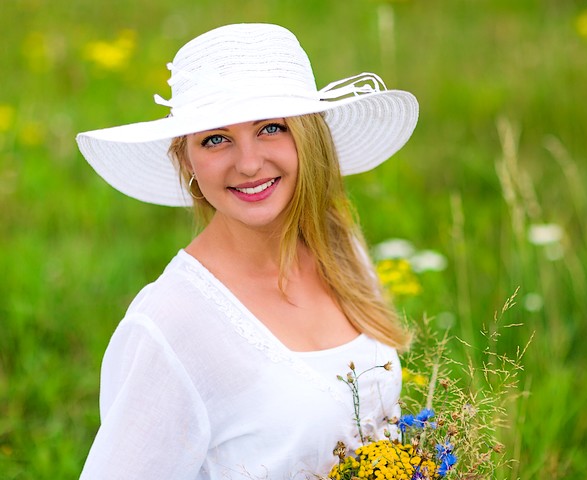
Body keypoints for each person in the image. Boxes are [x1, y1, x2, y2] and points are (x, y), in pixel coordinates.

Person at [76, 23, 418, 479]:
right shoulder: (170, 325)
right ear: (186, 159)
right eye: (215, 138)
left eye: (271, 128)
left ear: (309, 138)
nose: (250, 163)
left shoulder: (341, 248)